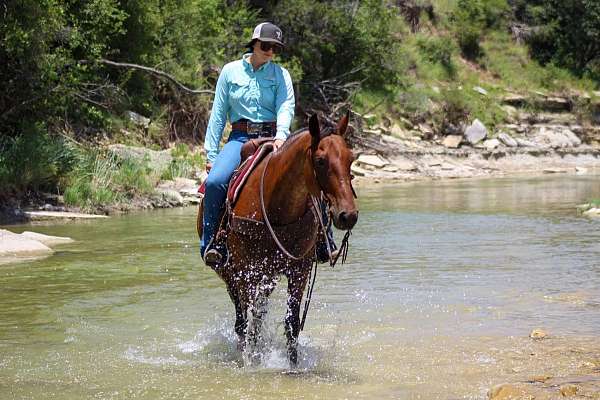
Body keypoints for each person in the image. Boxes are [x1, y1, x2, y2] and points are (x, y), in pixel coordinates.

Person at [201, 22, 294, 266]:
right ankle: (212, 242)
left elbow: (286, 106)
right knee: (215, 182)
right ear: (254, 43)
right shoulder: (230, 72)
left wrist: (282, 136)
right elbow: (218, 115)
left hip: (275, 137)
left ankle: (322, 241)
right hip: (240, 138)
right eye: (266, 46)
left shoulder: (281, 75)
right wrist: (211, 155)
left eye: (275, 48)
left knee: (312, 172)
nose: (271, 52)